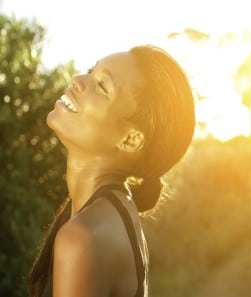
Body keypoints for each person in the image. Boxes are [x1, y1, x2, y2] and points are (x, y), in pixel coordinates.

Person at [28, 45, 195, 297]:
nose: (77, 80)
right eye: (89, 72)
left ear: (130, 140)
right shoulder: (116, 213)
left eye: (102, 86)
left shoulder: (82, 238)